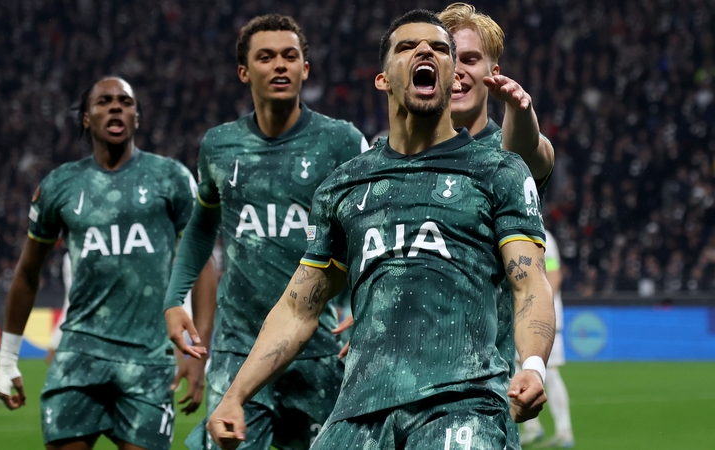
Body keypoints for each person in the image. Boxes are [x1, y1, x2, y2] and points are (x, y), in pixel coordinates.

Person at [206, 9, 555, 450]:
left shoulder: (498, 171)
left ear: (454, 80)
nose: (425, 51)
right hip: (357, 413)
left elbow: (529, 283)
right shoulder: (345, 186)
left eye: (440, 49)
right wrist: (235, 395)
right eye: (407, 47)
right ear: (383, 79)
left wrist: (533, 366)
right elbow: (298, 310)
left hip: (462, 406)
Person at [331, 5, 557, 447]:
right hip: (387, 388)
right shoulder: (394, 158)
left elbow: (528, 151)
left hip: (470, 392)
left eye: (471, 59)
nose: (456, 71)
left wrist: (521, 109)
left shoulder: (502, 157)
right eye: (454, 57)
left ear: (494, 70)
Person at [162, 13, 370, 450]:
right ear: (244, 71)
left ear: (305, 69)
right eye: (266, 57)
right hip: (239, 351)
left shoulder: (342, 142)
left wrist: (369, 310)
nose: (280, 65)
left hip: (318, 349)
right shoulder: (219, 146)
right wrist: (174, 299)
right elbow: (202, 230)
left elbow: (369, 236)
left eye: (290, 56)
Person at [0, 76, 212, 450]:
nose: (115, 107)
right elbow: (27, 274)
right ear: (86, 118)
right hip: (79, 356)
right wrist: (7, 359)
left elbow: (204, 265)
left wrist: (199, 354)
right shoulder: (59, 185)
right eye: (104, 101)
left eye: (125, 101)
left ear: (136, 117)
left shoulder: (171, 178)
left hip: (148, 360)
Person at [519, 230, 574, 448]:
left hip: (542, 318)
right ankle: (532, 427)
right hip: (524, 318)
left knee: (549, 372)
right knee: (517, 370)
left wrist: (540, 308)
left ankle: (564, 430)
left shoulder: (542, 235)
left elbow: (554, 274)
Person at [45, 251, 71, 365]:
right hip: (74, 308)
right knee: (53, 348)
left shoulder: (68, 256)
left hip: (73, 308)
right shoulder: (69, 257)